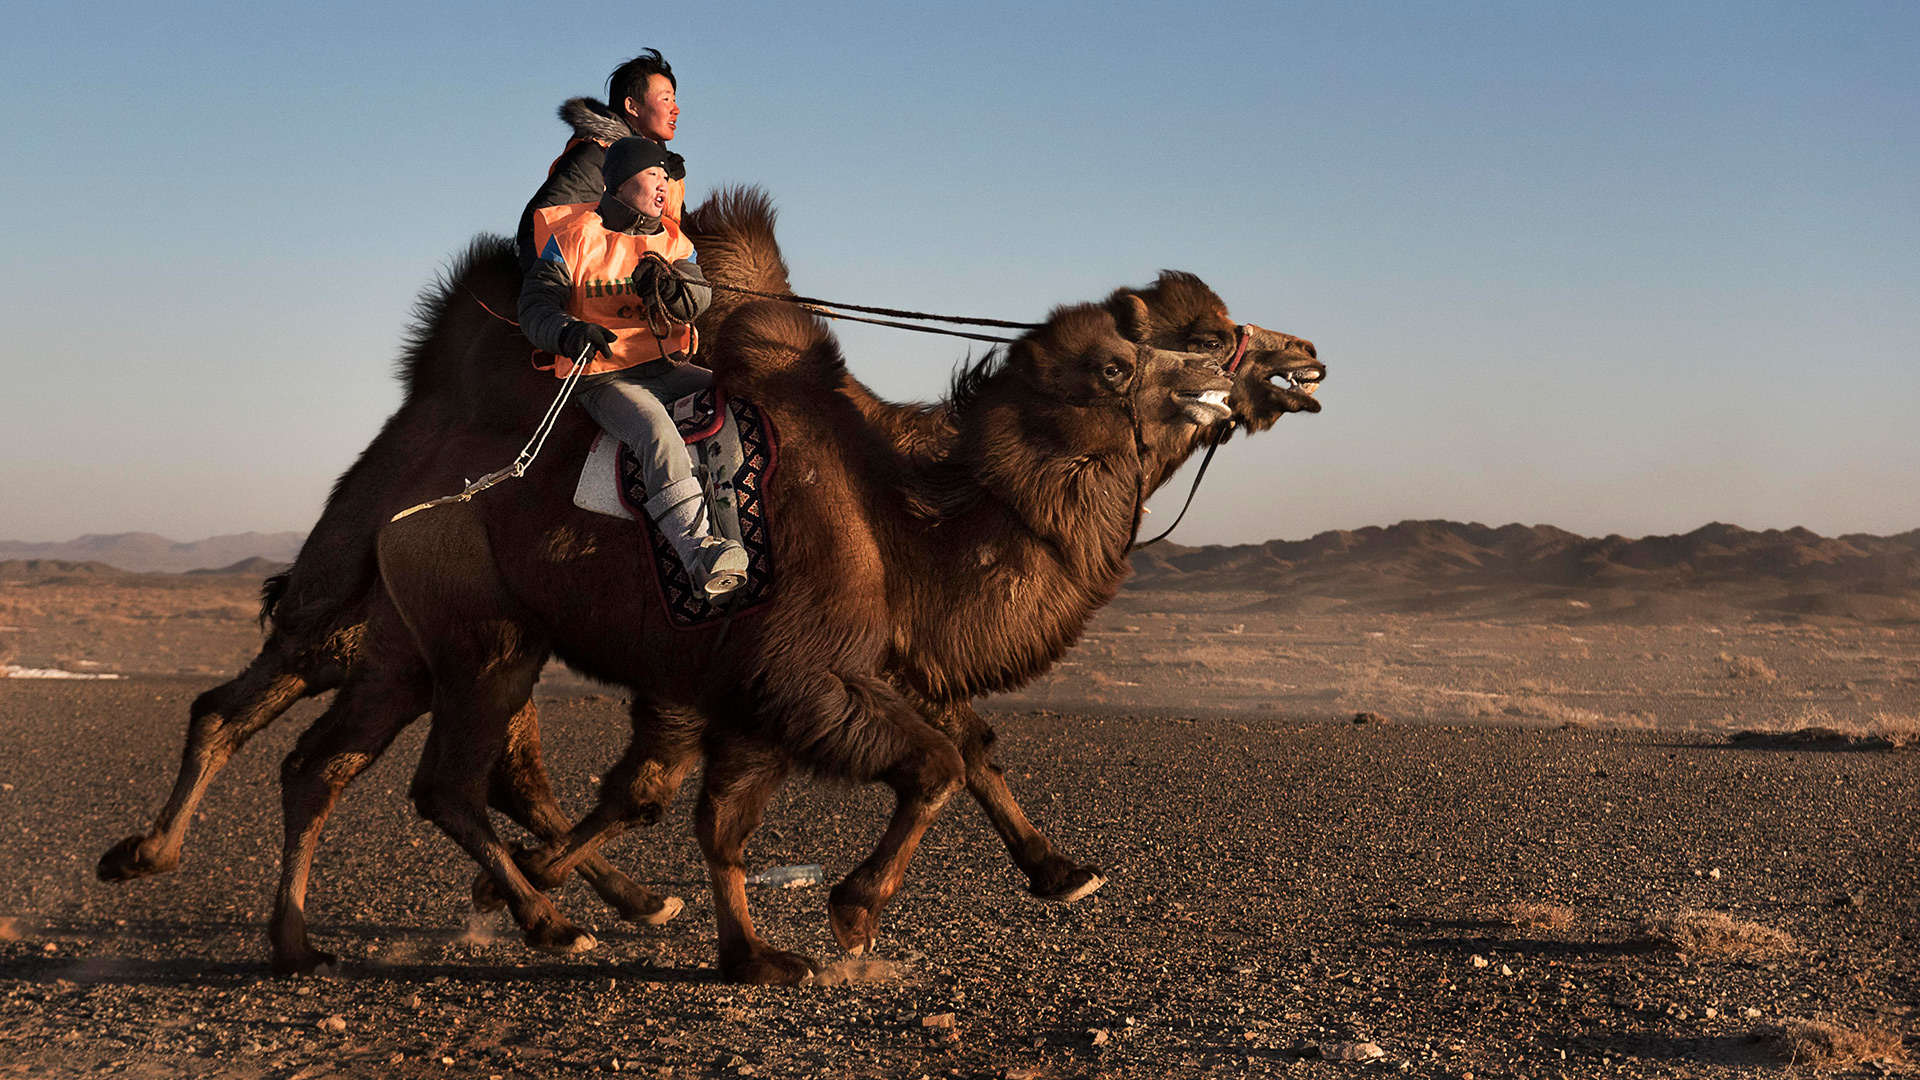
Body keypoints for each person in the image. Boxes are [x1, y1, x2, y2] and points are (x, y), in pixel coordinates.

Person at [520, 137, 746, 598]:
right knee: (654, 429)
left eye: (667, 176)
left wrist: (674, 287)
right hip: (604, 377)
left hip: (665, 366)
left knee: (739, 394)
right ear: (623, 182)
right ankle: (698, 551)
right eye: (653, 175)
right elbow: (536, 303)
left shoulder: (671, 238)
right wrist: (568, 332)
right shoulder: (573, 237)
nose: (664, 184)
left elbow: (697, 299)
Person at [517, 49, 686, 270]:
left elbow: (678, 240)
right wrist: (552, 292)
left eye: (674, 100)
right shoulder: (599, 154)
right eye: (666, 99)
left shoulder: (668, 169)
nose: (676, 109)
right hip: (599, 289)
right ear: (631, 106)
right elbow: (541, 227)